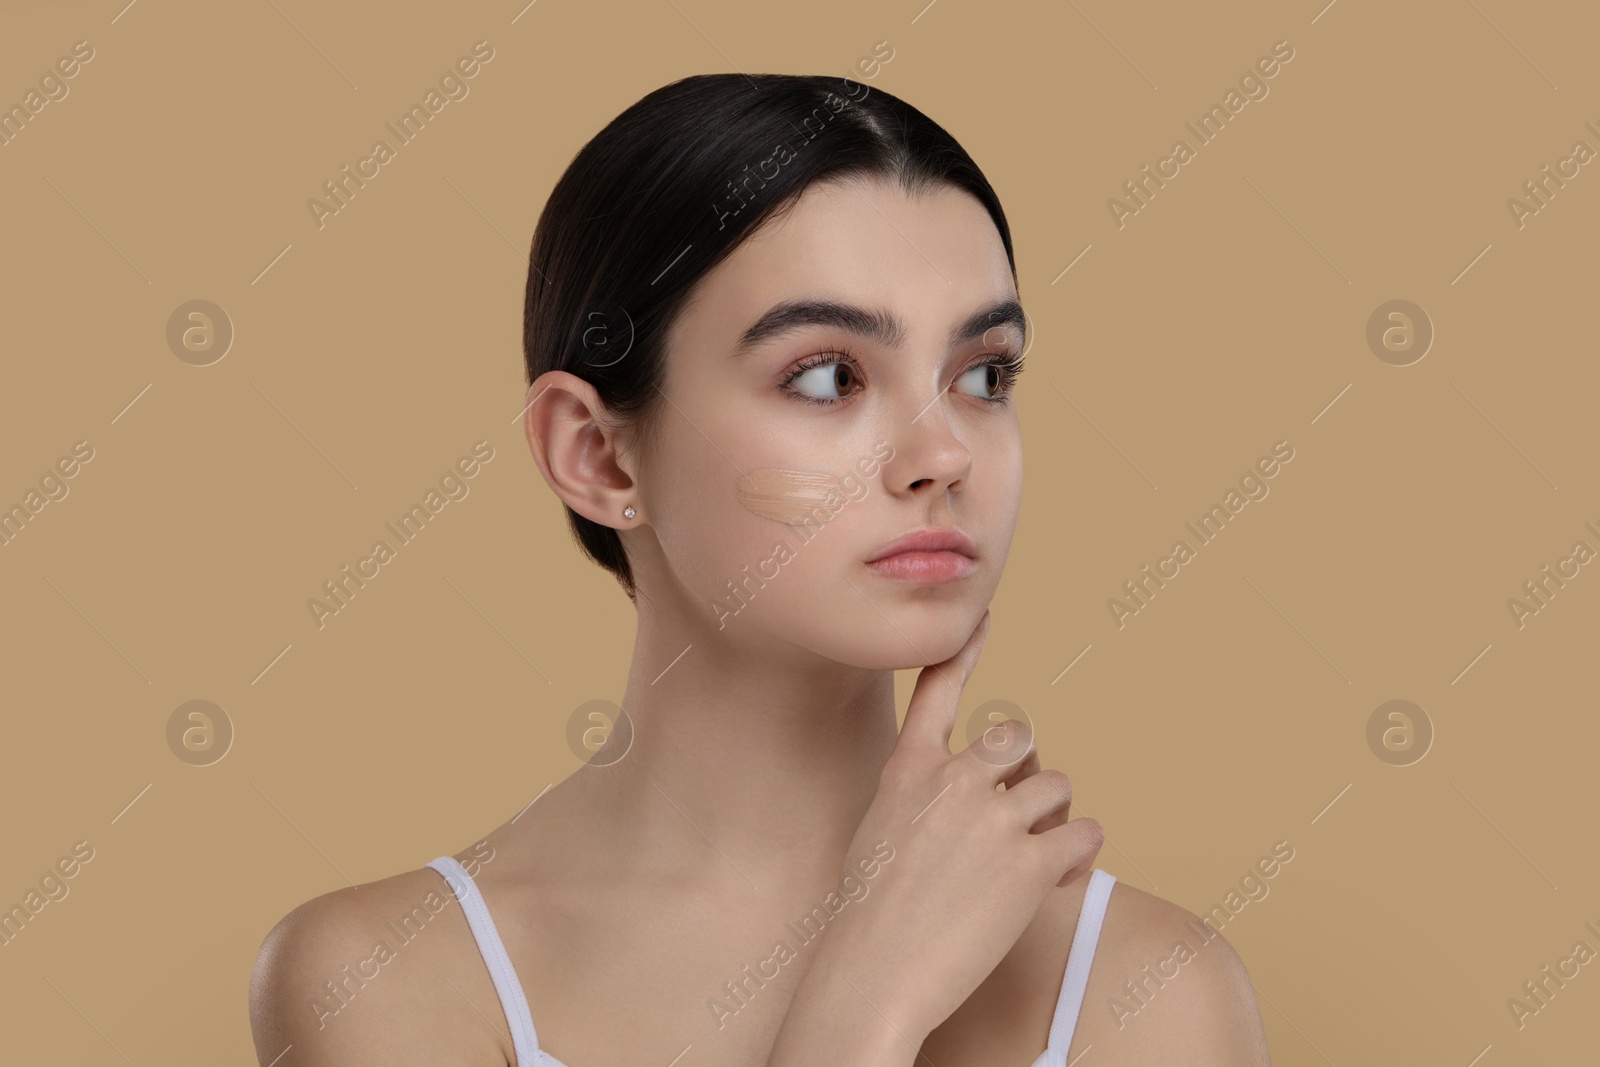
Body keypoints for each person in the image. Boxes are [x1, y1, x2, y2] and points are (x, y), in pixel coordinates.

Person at [249, 72, 1272, 1066]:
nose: (945, 454)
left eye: (983, 374)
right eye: (828, 376)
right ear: (595, 454)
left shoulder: (1151, 987)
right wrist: (863, 1004)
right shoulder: (384, 974)